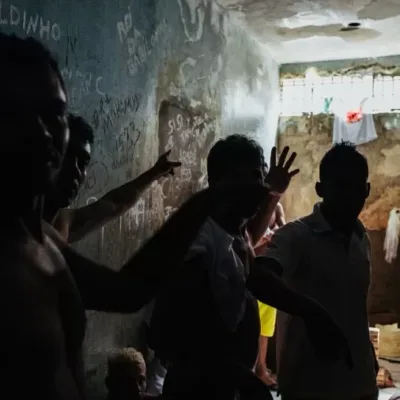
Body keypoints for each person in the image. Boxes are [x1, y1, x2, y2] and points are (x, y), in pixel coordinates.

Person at [0, 33, 269, 400]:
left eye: (55, 114)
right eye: (15, 113)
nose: (44, 133)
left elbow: (127, 292)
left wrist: (206, 199)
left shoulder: (42, 241)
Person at [150, 135, 352, 400]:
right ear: (217, 183)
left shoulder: (234, 230)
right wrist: (238, 377)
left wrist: (313, 312)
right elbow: (175, 336)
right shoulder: (199, 239)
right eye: (245, 177)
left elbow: (252, 259)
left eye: (260, 176)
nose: (257, 186)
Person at [267, 141, 378, 400]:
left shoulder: (361, 239)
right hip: (310, 386)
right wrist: (311, 312)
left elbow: (354, 306)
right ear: (321, 189)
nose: (349, 196)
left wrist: (368, 353)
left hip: (360, 384)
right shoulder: (296, 237)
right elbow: (260, 278)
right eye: (340, 186)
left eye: (356, 187)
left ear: (367, 190)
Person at [44, 113, 181, 242]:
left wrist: (155, 172)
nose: (75, 171)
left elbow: (115, 204)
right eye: (65, 157)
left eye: (83, 163)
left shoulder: (63, 222)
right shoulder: (26, 230)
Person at [254, 202, 286, 389]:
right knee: (250, 323)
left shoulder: (277, 207)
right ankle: (252, 371)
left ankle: (261, 370)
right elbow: (246, 240)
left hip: (268, 272)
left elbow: (284, 231)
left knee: (265, 328)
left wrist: (275, 234)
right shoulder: (252, 206)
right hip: (251, 270)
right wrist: (265, 237)